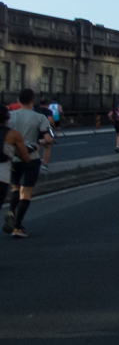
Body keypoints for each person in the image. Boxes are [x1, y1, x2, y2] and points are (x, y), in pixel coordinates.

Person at [3, 89, 53, 239]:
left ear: (18, 101)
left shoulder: (9, 116)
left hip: (13, 159)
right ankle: (17, 226)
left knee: (15, 188)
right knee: (26, 191)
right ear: (33, 101)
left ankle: (11, 211)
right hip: (31, 158)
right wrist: (39, 141)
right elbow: (49, 137)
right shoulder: (40, 117)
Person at [0, 110, 32, 227]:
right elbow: (25, 158)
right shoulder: (14, 134)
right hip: (2, 176)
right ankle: (15, 221)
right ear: (6, 119)